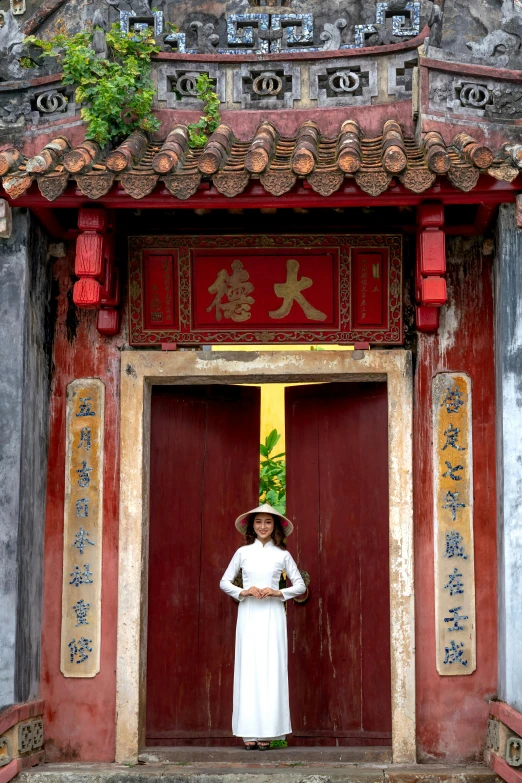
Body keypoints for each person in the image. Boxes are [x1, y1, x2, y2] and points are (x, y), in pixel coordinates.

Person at [220, 502, 306, 751]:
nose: (263, 526)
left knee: (271, 668)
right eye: (258, 522)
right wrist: (243, 591)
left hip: (273, 615)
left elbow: (300, 585)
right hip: (248, 614)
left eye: (268, 522)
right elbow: (224, 582)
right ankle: (249, 732)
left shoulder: (282, 555)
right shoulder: (242, 553)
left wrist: (278, 593)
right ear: (251, 526)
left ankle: (268, 731)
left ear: (275, 526)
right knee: (249, 668)